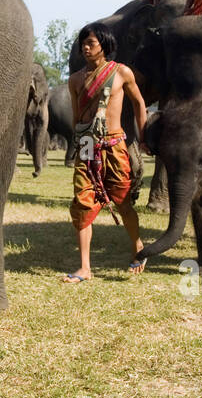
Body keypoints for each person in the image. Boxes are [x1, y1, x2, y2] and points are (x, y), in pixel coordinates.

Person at [63, 22, 148, 283]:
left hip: (114, 146)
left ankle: (138, 247)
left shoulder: (121, 72)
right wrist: (77, 143)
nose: (85, 48)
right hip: (87, 147)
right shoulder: (75, 80)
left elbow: (139, 103)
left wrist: (143, 136)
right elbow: (77, 118)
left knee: (122, 200)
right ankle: (85, 268)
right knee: (82, 203)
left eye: (91, 43)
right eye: (83, 44)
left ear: (105, 45)